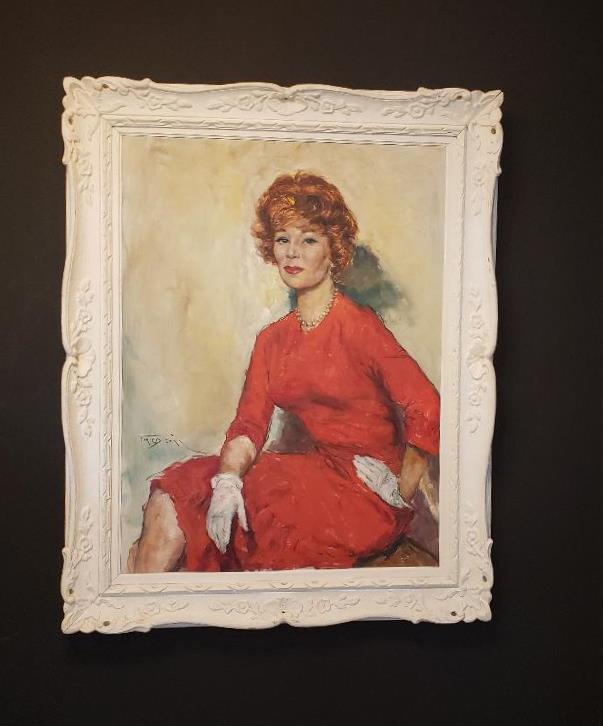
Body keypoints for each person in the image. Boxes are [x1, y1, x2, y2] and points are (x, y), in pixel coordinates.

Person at [128, 171, 440, 573]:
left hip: (366, 494)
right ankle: (140, 601)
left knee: (244, 519)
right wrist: (228, 481)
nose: (292, 253)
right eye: (282, 239)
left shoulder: (360, 327)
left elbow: (428, 407)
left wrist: (400, 489)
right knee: (174, 493)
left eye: (308, 240)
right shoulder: (272, 340)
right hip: (314, 473)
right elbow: (248, 426)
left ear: (333, 250)